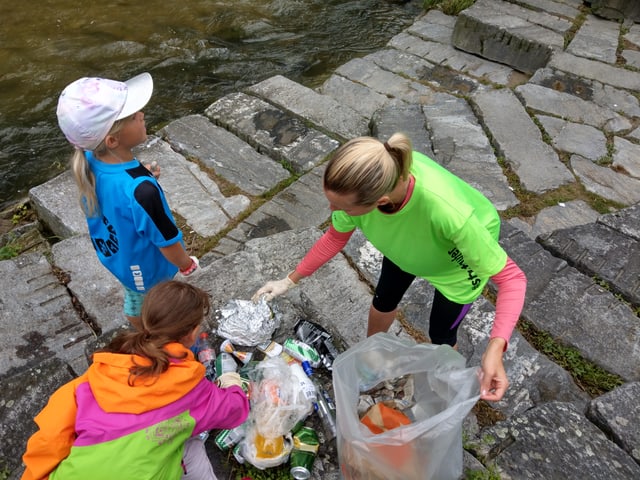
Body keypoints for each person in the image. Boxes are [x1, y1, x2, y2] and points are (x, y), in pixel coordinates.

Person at [253, 133, 527, 402]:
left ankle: (446, 381)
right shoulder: (378, 176)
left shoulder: (449, 214)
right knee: (384, 299)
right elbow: (334, 237)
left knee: (441, 333)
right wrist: (288, 280)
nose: (331, 208)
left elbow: (513, 280)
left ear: (379, 203)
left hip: (456, 262)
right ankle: (371, 355)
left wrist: (495, 347)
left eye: (340, 206)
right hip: (407, 244)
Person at [21, 281, 249, 480]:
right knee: (188, 443)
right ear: (192, 334)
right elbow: (236, 410)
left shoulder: (102, 370)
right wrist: (232, 382)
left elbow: (51, 436)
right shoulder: (189, 387)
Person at [56, 72, 199, 330]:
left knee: (134, 296)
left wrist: (141, 174)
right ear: (112, 140)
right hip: (146, 269)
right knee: (150, 305)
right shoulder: (142, 191)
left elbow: (115, 183)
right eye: (134, 116)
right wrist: (187, 265)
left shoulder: (89, 158)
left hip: (118, 255)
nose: (142, 115)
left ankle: (139, 327)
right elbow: (166, 240)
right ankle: (147, 334)